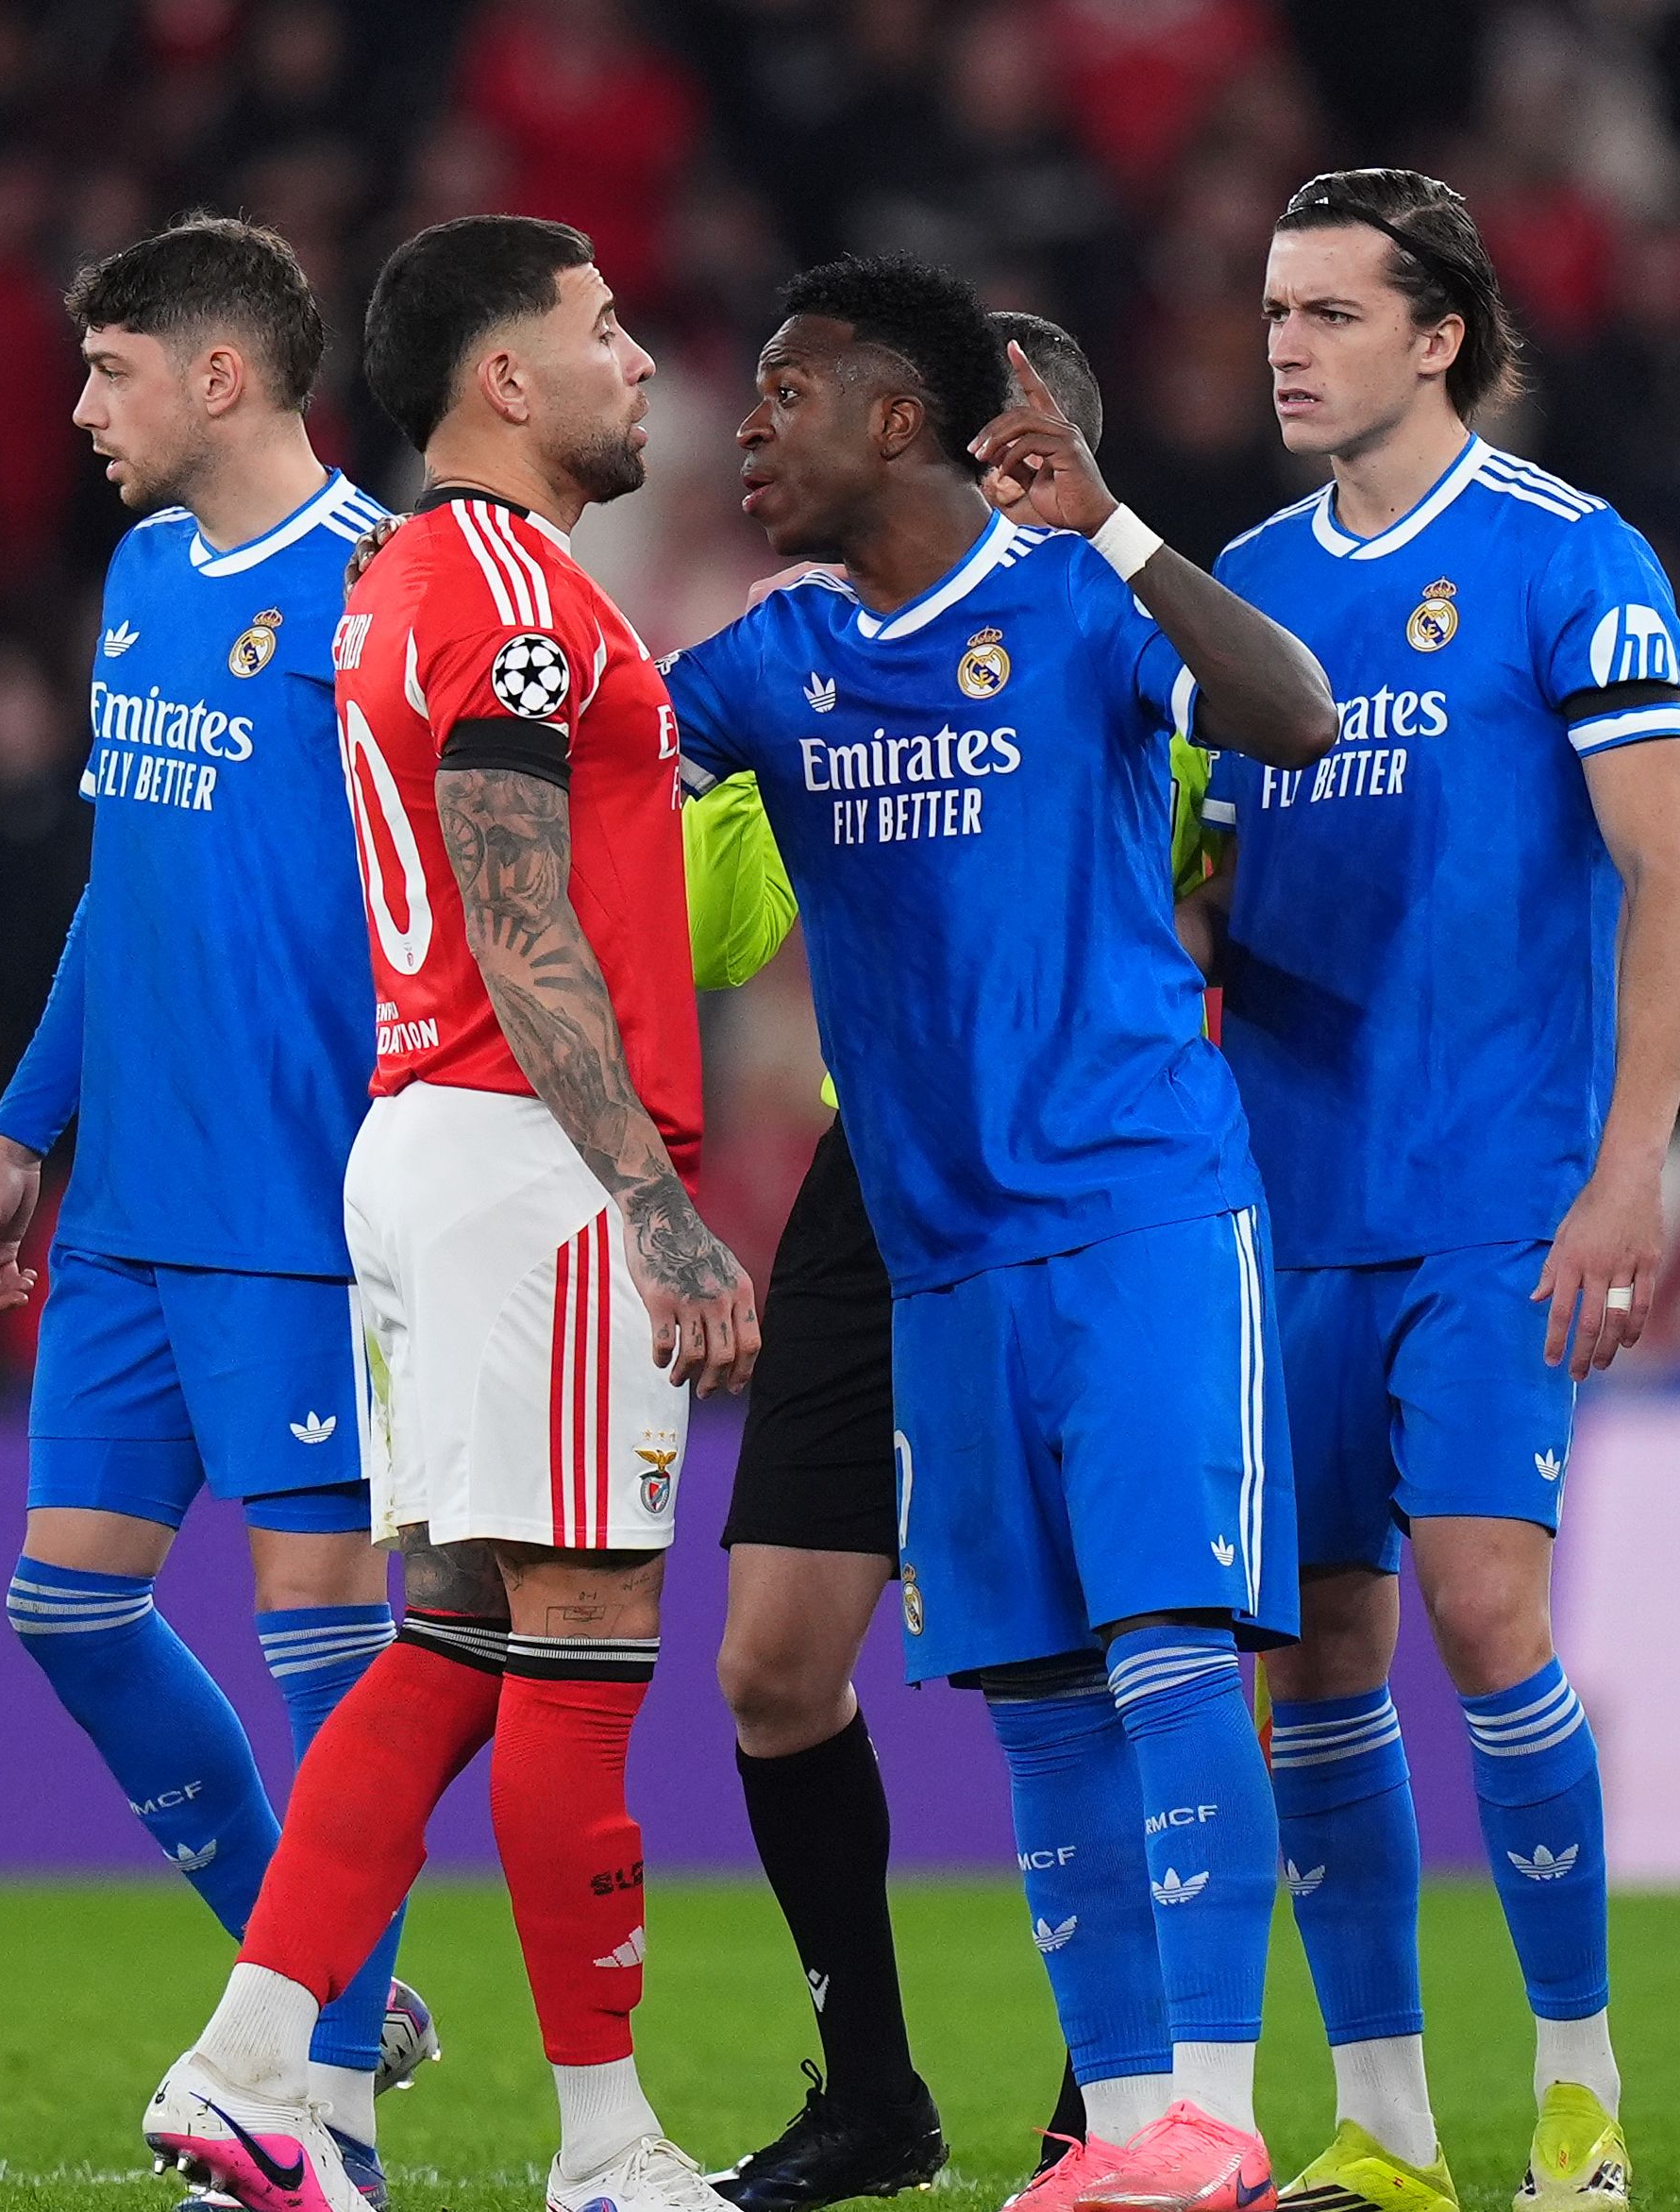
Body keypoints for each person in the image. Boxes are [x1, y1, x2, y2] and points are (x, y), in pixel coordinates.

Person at [658, 253, 1337, 2212]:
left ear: (898, 420)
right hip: (934, 1251)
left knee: (1167, 1650)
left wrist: (1113, 523)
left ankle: (1211, 2112)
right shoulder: (772, 658)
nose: (747, 429)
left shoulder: (1074, 603)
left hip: (1135, 1210)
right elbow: (582, 770)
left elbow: (1290, 716)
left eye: (785, 392)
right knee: (1036, 1695)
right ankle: (1118, 2136)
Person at [142, 214, 757, 2212]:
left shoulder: (411, 575)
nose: (638, 360)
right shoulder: (500, 585)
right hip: (531, 1156)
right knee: (581, 1635)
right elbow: (517, 901)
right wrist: (655, 1200)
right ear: (504, 376)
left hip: (436, 1138)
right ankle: (606, 2145)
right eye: (604, 327)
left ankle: (254, 2069)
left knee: (460, 1635)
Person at [1198, 169, 1680, 2212]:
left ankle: (1578, 2092)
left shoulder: (1567, 558)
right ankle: (1386, 2121)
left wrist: (1626, 1168)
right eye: (1273, 308)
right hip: (1284, 1197)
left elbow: (1670, 875)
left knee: (1485, 1605)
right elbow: (1202, 883)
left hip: (1499, 1186)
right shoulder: (1241, 586)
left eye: (1329, 311)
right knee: (1312, 1657)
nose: (1285, 345)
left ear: (1440, 339)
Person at [0, 216, 431, 2206]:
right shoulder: (143, 577)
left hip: (300, 1211)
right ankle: (313, 1968)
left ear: (220, 377)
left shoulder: (382, 584)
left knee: (329, 1654)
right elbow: (120, 885)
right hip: (129, 1210)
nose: (80, 408)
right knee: (64, 1606)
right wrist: (20, 1133)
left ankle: (333, 2119)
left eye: (110, 369)